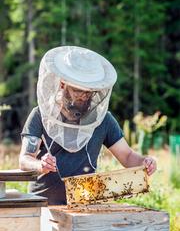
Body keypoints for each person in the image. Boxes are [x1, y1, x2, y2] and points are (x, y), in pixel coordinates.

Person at [19, 46, 157, 205]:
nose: (84, 97)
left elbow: (127, 156)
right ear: (63, 85)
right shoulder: (39, 115)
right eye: (78, 91)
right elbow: (24, 159)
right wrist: (39, 164)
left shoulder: (104, 120)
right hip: (43, 204)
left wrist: (145, 161)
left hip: (84, 206)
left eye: (89, 92)